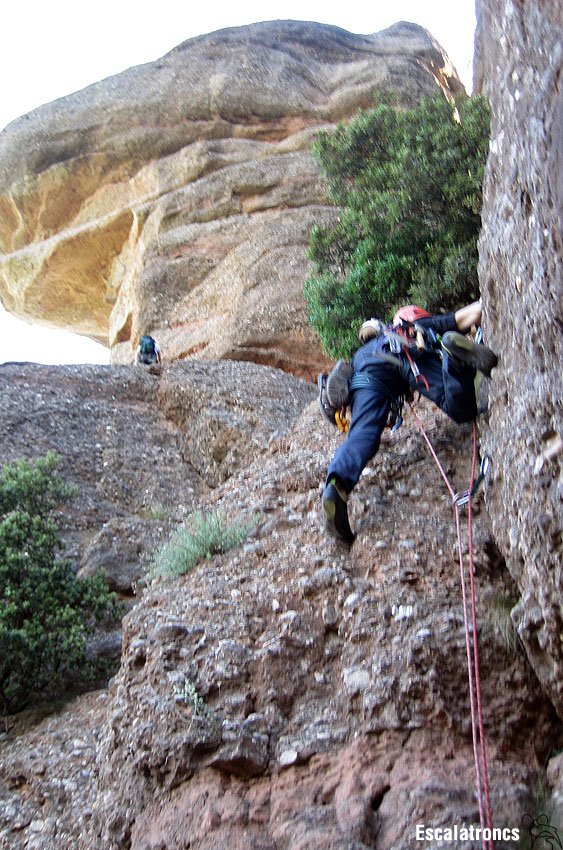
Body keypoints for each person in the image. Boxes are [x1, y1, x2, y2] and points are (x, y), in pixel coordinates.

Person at [320, 301, 498, 545]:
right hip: (409, 350)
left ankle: (336, 484)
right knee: (460, 408)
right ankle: (455, 361)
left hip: (366, 370)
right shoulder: (417, 326)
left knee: (362, 436)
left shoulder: (366, 347)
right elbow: (473, 312)